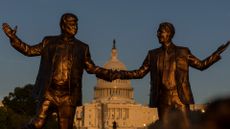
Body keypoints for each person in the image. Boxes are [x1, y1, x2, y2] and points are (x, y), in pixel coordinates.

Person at [2, 13, 115, 129]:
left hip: (68, 97)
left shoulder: (82, 48)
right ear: (63, 25)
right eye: (72, 24)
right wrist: (13, 38)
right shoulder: (48, 42)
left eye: (76, 24)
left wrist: (124, 74)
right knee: (37, 124)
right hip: (49, 92)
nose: (75, 27)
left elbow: (92, 68)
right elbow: (29, 50)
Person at [114, 22, 229, 128]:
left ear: (169, 33)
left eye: (160, 31)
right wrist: (114, 74)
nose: (157, 34)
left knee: (186, 126)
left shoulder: (183, 52)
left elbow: (201, 65)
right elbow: (139, 73)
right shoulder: (152, 54)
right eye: (158, 32)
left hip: (181, 98)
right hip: (163, 99)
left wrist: (216, 54)